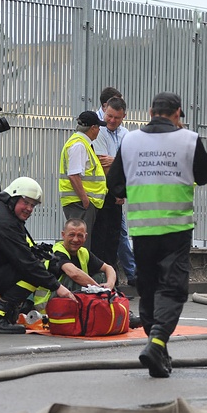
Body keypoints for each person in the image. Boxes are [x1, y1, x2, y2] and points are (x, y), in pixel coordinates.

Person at [107, 92, 207, 378]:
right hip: (176, 228)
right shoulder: (188, 139)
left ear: (149, 111)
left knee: (148, 289)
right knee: (172, 289)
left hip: (142, 229)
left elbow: (115, 184)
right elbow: (206, 175)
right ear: (178, 113)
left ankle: (157, 348)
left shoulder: (129, 140)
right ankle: (156, 344)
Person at [0, 177, 74, 334]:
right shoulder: (4, 222)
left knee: (26, 265)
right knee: (31, 271)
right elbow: (26, 264)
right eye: (26, 202)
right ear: (13, 198)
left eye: (33, 205)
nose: (29, 208)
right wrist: (58, 287)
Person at [91, 89, 134, 282]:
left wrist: (116, 161)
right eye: (109, 116)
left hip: (115, 195)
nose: (112, 121)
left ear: (124, 116)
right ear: (104, 109)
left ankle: (115, 282)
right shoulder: (98, 129)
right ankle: (108, 280)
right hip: (102, 195)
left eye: (117, 117)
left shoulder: (125, 134)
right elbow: (103, 163)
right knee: (101, 240)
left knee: (116, 238)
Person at [32, 218, 118, 308]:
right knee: (72, 279)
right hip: (46, 305)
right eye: (71, 235)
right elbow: (74, 274)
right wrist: (98, 290)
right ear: (63, 235)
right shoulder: (57, 251)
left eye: (80, 235)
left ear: (85, 237)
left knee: (102, 276)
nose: (76, 239)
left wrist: (109, 285)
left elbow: (108, 268)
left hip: (66, 300)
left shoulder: (83, 252)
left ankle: (115, 307)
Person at [58, 111, 107, 249]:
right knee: (79, 242)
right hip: (79, 203)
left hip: (81, 202)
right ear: (93, 128)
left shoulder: (81, 143)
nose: (98, 131)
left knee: (82, 241)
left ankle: (82, 269)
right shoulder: (79, 145)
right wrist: (85, 200)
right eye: (98, 127)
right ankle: (78, 269)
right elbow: (73, 175)